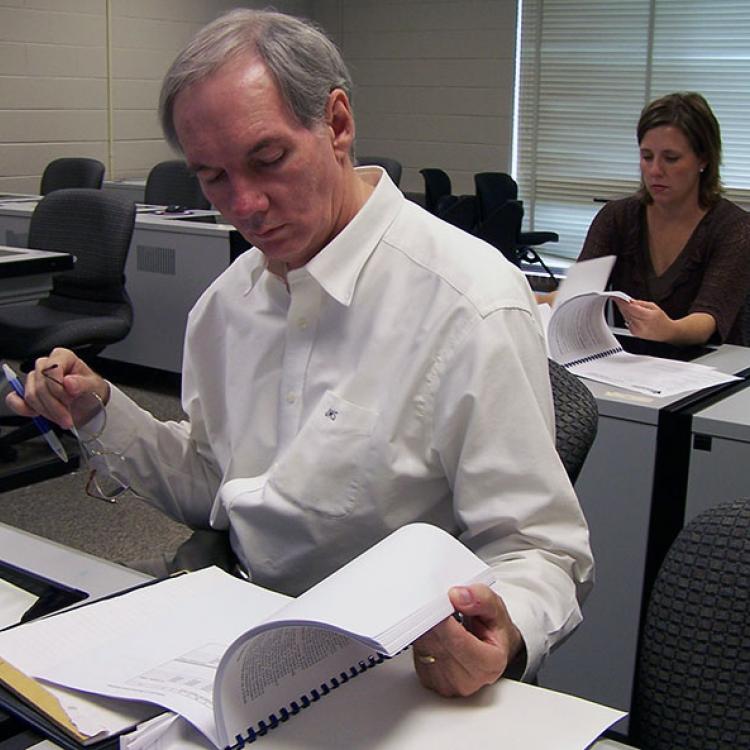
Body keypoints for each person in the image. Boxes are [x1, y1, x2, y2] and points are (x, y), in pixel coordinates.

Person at [7, 9, 592, 698]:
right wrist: (101, 412)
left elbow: (538, 548)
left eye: (268, 160)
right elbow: (215, 488)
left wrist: (505, 631)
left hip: (395, 668)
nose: (245, 205)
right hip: (238, 631)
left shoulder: (468, 302)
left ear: (337, 124)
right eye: (212, 177)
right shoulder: (226, 307)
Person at [573, 92, 750, 346]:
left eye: (671, 158)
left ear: (703, 159)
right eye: (647, 157)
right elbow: (576, 295)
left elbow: (706, 320)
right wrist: (525, 297)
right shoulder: (617, 217)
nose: (655, 170)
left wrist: (668, 329)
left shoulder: (735, 228)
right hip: (632, 362)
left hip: (711, 363)